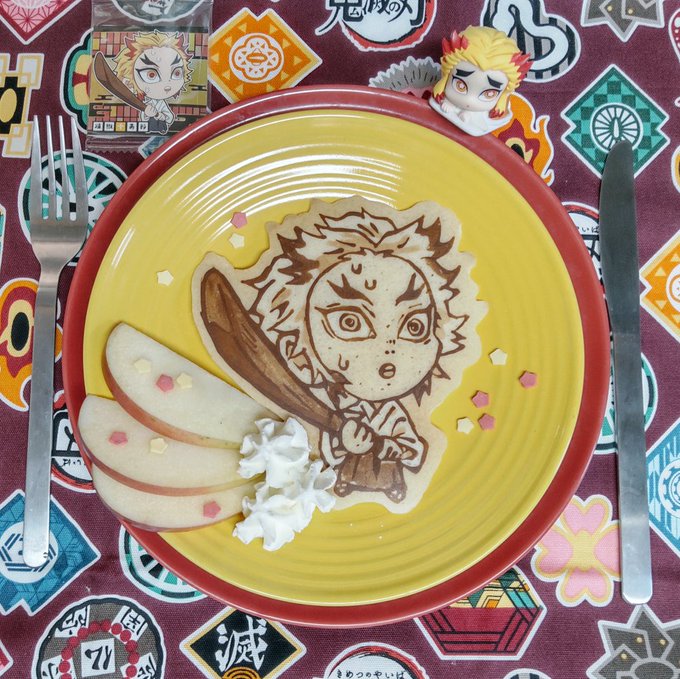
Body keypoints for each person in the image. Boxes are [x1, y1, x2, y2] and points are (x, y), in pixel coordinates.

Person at [430, 26, 532, 136]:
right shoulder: (435, 94)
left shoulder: (496, 117)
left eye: (489, 94)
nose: (469, 101)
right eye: (460, 85)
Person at [113, 30, 193, 134]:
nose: (166, 86)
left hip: (163, 129)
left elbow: (170, 117)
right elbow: (143, 118)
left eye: (176, 73)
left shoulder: (161, 103)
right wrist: (147, 114)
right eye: (151, 75)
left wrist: (161, 116)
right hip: (147, 128)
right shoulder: (143, 100)